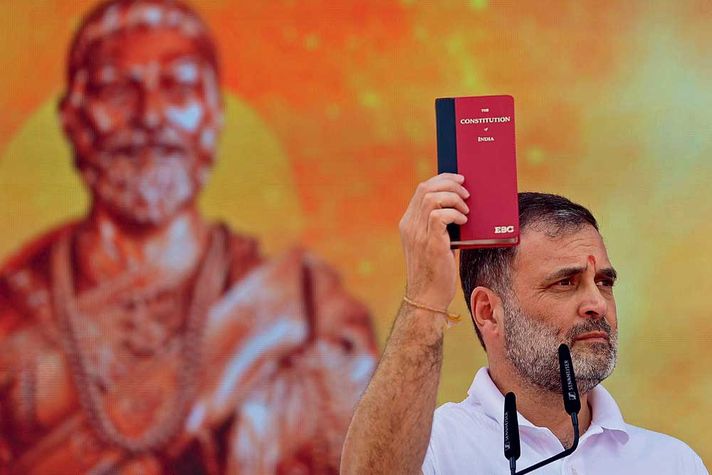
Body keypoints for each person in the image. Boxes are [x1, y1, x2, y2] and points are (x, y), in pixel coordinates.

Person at [0, 0, 378, 473]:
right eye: (118, 90)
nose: (151, 115)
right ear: (74, 119)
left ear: (213, 116)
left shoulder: (302, 306)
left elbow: (366, 461)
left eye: (178, 88)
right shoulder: (11, 312)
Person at [341, 173, 708, 474]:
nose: (597, 303)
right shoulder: (436, 449)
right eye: (565, 282)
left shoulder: (673, 463)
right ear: (488, 311)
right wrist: (425, 297)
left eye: (604, 282)